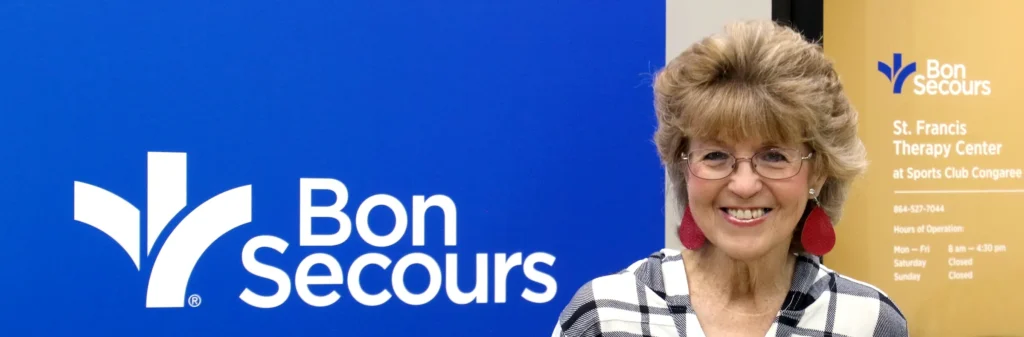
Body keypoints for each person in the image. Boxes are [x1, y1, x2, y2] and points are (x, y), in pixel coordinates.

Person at [551, 20, 908, 337]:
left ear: (819, 171)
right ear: (683, 168)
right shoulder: (605, 316)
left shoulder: (869, 322)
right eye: (716, 156)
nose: (744, 185)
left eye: (774, 156)